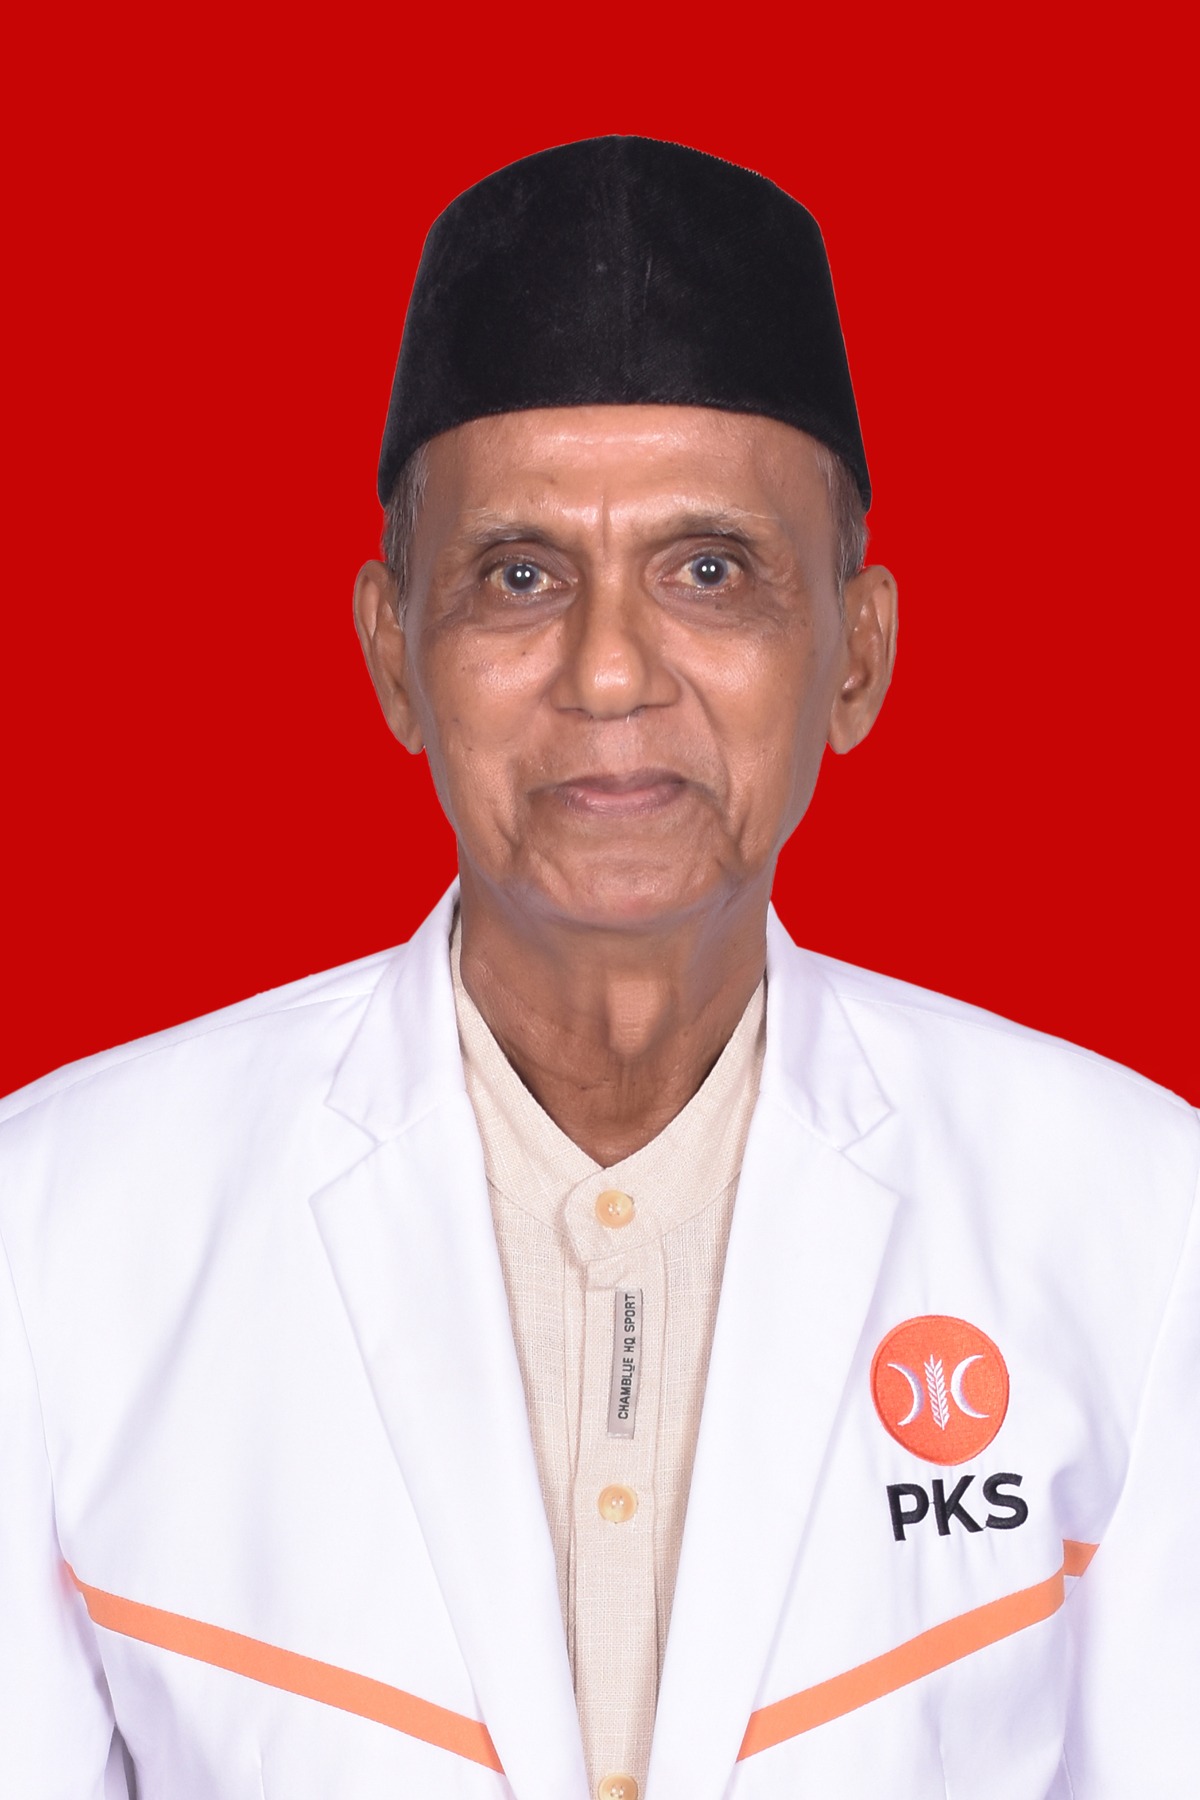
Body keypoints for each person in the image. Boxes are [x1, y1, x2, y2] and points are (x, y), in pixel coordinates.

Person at [0, 135, 1196, 1800]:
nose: (612, 669)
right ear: (393, 656)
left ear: (856, 656)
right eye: (519, 576)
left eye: (710, 571)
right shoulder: (58, 1225)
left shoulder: (1134, 1215)